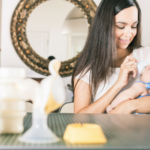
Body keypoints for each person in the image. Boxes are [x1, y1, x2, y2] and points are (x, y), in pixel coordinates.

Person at [72, 0, 150, 114]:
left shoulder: (146, 55)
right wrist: (118, 84)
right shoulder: (87, 69)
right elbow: (79, 117)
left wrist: (130, 105)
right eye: (121, 26)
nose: (129, 34)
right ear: (103, 26)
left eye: (134, 26)